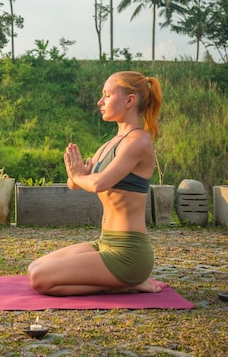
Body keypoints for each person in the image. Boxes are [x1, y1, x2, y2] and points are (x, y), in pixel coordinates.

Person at [27, 71, 163, 296]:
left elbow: (98, 183)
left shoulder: (139, 142)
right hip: (105, 242)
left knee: (40, 280)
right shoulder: (110, 144)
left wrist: (80, 176)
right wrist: (76, 174)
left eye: (107, 95)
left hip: (128, 252)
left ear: (130, 100)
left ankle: (126, 282)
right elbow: (76, 184)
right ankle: (124, 283)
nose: (100, 102)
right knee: (35, 268)